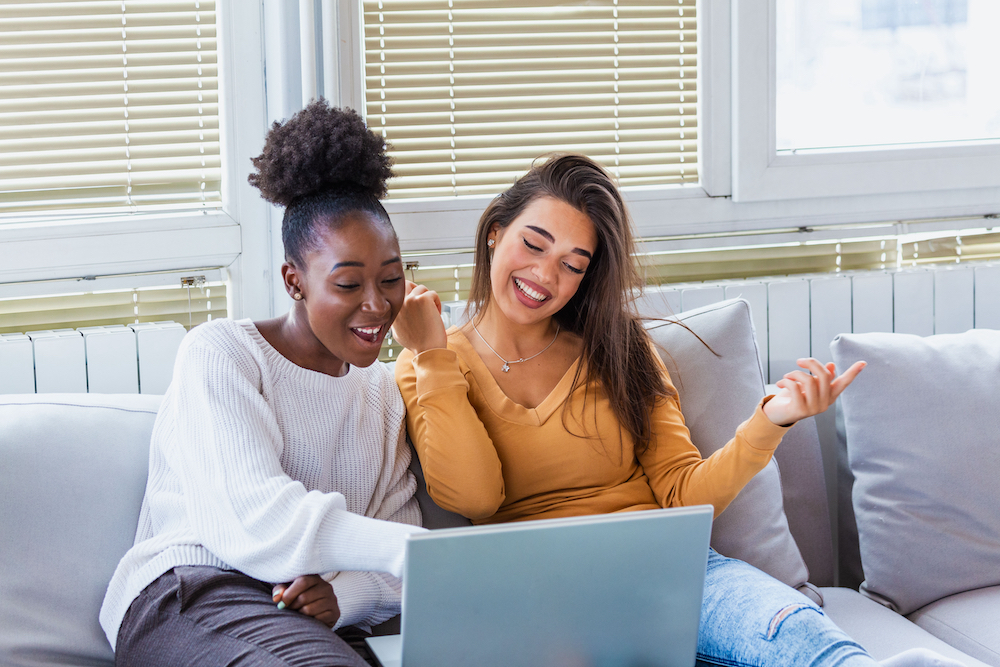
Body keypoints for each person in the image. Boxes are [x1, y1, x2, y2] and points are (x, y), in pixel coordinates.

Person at [391, 154, 964, 667]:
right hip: (543, 602)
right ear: (495, 233)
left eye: (573, 263)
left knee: (794, 635)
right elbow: (475, 496)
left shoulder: (620, 350)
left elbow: (683, 495)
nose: (545, 275)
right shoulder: (432, 364)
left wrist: (772, 419)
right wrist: (433, 353)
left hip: (673, 576)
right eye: (534, 244)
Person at [100, 100, 424, 667]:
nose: (377, 304)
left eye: (392, 278)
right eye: (348, 284)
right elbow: (255, 517)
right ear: (294, 281)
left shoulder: (382, 395)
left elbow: (394, 543)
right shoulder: (221, 353)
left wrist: (343, 596)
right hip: (190, 590)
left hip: (296, 615)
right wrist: (416, 552)